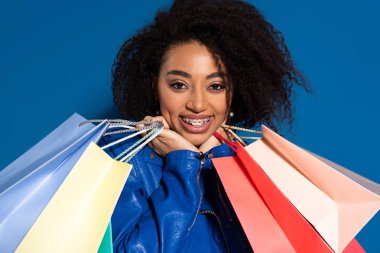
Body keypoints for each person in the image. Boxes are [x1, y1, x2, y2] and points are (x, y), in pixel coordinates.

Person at [100, 0, 307, 252]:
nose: (198, 104)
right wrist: (183, 164)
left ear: (234, 92)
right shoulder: (120, 157)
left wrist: (218, 159)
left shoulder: (254, 162)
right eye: (179, 85)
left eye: (216, 86)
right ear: (155, 86)